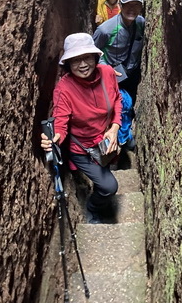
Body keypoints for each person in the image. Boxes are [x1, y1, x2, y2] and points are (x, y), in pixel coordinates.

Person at [41, 33, 122, 223]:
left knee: (104, 178)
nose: (83, 64)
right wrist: (54, 139)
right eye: (75, 60)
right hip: (82, 150)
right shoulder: (64, 89)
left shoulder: (108, 73)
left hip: (104, 142)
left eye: (86, 57)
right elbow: (60, 120)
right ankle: (93, 208)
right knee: (110, 187)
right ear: (67, 65)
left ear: (95, 58)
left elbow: (117, 100)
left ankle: (99, 195)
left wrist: (115, 127)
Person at [93, 0, 145, 104]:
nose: (132, 9)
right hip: (112, 75)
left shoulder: (141, 23)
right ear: (120, 5)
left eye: (136, 5)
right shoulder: (106, 30)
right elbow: (93, 52)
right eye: (128, 4)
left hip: (133, 74)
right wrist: (105, 68)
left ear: (141, 7)